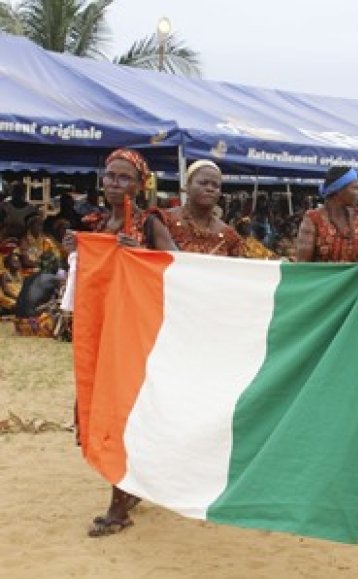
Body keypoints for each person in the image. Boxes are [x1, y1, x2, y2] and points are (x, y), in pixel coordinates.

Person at [69, 148, 177, 538]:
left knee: (120, 410)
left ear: (140, 184)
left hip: (133, 332)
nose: (114, 183)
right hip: (100, 328)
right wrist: (77, 248)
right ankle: (130, 488)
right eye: (110, 176)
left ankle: (119, 507)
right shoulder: (96, 221)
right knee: (102, 404)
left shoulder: (150, 222)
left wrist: (142, 255)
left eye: (124, 178)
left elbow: (176, 263)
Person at [162, 161, 243, 257]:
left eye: (215, 185)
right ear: (187, 186)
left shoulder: (229, 236)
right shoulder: (164, 221)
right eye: (203, 183)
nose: (210, 188)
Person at [296, 166, 358, 263]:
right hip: (324, 277)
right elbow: (303, 263)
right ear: (338, 191)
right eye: (355, 188)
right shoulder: (313, 219)